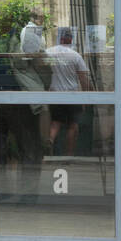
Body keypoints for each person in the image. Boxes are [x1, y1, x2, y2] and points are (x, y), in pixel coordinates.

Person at [46, 26, 92, 155]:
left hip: (54, 94)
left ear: (59, 39)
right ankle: (69, 155)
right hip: (72, 95)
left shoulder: (49, 53)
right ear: (71, 40)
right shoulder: (75, 56)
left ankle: (50, 141)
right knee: (73, 126)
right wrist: (89, 95)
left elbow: (42, 71)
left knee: (55, 123)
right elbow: (83, 78)